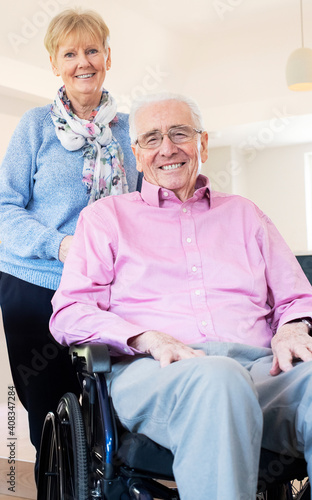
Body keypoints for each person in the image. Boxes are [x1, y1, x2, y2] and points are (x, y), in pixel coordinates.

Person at [50, 92, 312, 499]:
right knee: (218, 379)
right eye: (152, 138)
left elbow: (296, 296)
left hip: (262, 371)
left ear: (202, 144)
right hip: (157, 373)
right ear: (136, 154)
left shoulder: (246, 214)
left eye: (179, 133)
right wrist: (146, 338)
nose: (167, 148)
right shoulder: (105, 220)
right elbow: (69, 311)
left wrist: (294, 328)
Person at [0, 8, 141, 464]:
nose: (84, 61)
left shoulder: (128, 132)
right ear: (54, 63)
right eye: (70, 53)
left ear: (108, 57)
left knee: (112, 408)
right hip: (36, 284)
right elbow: (4, 208)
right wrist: (61, 245)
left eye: (92, 50)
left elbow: (141, 209)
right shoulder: (36, 126)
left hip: (108, 289)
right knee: (52, 419)